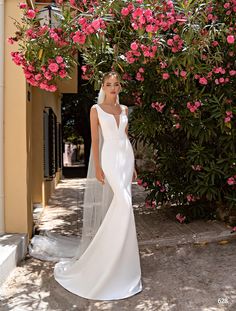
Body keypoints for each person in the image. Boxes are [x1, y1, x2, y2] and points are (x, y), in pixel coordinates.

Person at [29, 71, 143, 300]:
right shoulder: (96, 110)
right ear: (103, 86)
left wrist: (132, 166)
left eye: (116, 84)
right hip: (109, 158)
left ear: (120, 87)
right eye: (108, 84)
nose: (113, 87)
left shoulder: (124, 110)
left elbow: (126, 138)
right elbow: (96, 140)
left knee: (123, 207)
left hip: (125, 157)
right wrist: (99, 167)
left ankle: (122, 261)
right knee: (123, 205)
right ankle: (106, 261)